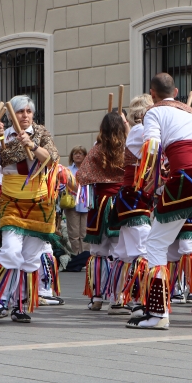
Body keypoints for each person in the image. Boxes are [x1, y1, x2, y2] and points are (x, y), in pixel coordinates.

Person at [126, 73, 192, 331]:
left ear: (152, 93)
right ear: (177, 90)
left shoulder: (153, 111)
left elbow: (151, 147)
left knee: (156, 244)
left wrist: (150, 181)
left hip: (186, 175)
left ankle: (158, 314)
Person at [0, 95, 67, 323]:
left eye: (28, 111)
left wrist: (33, 146)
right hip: (11, 201)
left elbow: (52, 159)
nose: (24, 115)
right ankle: (2, 300)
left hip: (39, 203)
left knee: (30, 257)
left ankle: (19, 304)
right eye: (19, 112)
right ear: (10, 115)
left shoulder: (41, 133)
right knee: (11, 250)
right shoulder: (4, 135)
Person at [77, 111, 127, 311]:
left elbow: (81, 176)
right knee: (118, 251)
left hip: (99, 204)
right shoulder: (128, 149)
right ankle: (117, 297)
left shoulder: (97, 150)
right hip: (120, 203)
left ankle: (97, 297)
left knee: (98, 252)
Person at [110, 94, 155, 315]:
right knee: (142, 247)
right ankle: (138, 299)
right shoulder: (141, 130)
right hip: (134, 197)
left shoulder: (137, 131)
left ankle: (118, 298)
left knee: (125, 252)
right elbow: (156, 151)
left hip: (136, 196)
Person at [65, 146, 89, 256]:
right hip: (71, 203)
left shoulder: (89, 169)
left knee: (85, 233)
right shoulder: (67, 170)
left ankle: (85, 257)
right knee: (74, 233)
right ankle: (76, 256)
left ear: (85, 156)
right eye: (75, 153)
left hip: (86, 204)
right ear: (72, 157)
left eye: (80, 153)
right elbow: (61, 185)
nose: (78, 155)